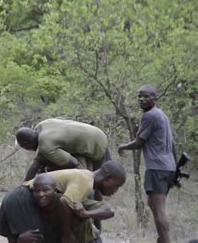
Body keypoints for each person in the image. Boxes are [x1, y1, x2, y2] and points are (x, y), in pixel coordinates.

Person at [118, 84, 176, 243]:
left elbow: (139, 142)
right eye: (139, 96)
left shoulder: (150, 116)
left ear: (155, 99)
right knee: (153, 203)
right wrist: (175, 167)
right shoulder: (162, 115)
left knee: (159, 210)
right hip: (168, 167)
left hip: (157, 168)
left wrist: (122, 146)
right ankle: (162, 238)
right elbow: (173, 145)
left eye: (146, 96)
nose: (141, 99)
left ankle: (165, 240)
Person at [24, 160, 126, 243]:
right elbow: (64, 202)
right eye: (116, 186)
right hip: (27, 194)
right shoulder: (86, 182)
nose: (115, 190)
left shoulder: (87, 176)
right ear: (108, 178)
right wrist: (66, 235)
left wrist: (86, 213)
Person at [16, 118, 111, 181]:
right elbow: (36, 164)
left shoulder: (46, 146)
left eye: (24, 147)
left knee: (98, 181)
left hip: (95, 143)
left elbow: (73, 163)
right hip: (95, 132)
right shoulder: (42, 125)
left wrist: (52, 167)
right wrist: (25, 185)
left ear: (26, 143)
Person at [0, 174, 63, 243]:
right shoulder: (24, 199)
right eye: (37, 191)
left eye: (45, 190)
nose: (41, 194)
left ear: (55, 191)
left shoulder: (63, 201)